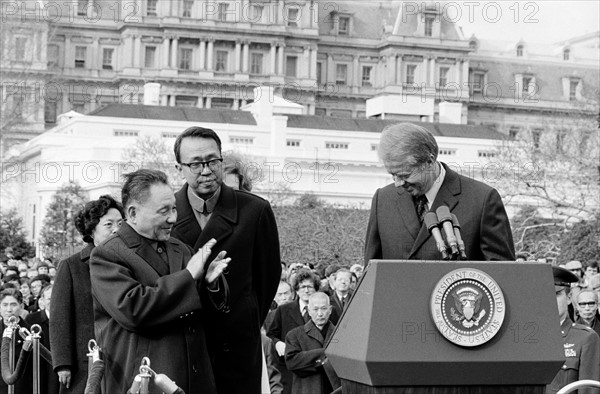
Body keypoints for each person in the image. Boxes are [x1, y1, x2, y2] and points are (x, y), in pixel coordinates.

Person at [90, 169, 230, 394]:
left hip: (194, 378)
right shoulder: (108, 254)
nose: (173, 218)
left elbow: (200, 310)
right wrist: (188, 276)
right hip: (145, 379)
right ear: (133, 213)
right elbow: (133, 310)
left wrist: (211, 286)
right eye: (164, 211)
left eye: (174, 208)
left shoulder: (181, 248)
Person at [171, 126, 281, 394]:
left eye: (212, 161)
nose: (206, 170)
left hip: (237, 347)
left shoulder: (255, 210)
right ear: (179, 168)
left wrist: (245, 319)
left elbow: (267, 279)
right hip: (183, 343)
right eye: (195, 164)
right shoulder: (167, 212)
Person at [364, 123, 515, 263]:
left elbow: (502, 275)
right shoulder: (383, 200)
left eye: (405, 175)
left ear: (429, 162)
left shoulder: (482, 200)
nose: (398, 183)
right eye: (393, 175)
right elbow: (370, 276)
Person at [49, 195, 124, 394]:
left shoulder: (129, 263)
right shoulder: (71, 266)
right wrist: (63, 363)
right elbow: (59, 318)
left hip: (122, 359)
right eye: (108, 224)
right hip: (85, 363)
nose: (116, 229)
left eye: (120, 223)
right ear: (91, 230)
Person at [547, 265, 600, 394]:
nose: (550, 300)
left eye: (557, 294)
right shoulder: (529, 337)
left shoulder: (585, 338)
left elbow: (587, 390)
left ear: (569, 297)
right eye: (545, 294)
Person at [284, 292, 341, 394]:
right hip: (307, 389)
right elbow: (292, 362)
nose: (320, 313)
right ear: (308, 311)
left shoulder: (341, 334)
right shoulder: (295, 335)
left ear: (330, 310)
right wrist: (324, 354)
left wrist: (310, 362)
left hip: (335, 389)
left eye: (324, 308)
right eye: (315, 309)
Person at [25, 285, 59, 394]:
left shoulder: (68, 318)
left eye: (56, 298)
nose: (53, 301)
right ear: (42, 301)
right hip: (38, 368)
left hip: (59, 366)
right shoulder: (32, 319)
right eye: (49, 299)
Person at [0, 288, 32, 394]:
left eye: (13, 304)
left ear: (21, 306)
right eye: (4, 305)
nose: (9, 309)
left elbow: (43, 369)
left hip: (24, 388)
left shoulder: (32, 332)